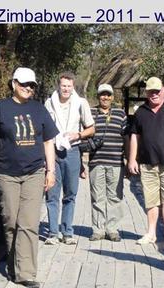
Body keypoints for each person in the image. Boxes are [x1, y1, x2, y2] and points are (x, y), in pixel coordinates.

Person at [0, 67, 58, 288]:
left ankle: (26, 273)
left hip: (34, 172)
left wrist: (51, 171)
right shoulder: (0, 108)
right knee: (11, 222)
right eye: (24, 84)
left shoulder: (39, 109)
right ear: (13, 83)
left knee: (28, 224)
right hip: (7, 174)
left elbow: (48, 141)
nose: (28, 88)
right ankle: (13, 266)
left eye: (31, 85)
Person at [128, 77, 164, 246]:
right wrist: (132, 159)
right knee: (151, 200)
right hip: (147, 163)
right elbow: (134, 137)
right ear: (146, 93)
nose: (154, 94)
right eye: (151, 91)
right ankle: (151, 233)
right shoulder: (140, 112)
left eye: (157, 91)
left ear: (163, 90)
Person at [44, 72, 95, 245]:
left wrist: (77, 135)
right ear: (59, 86)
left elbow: (91, 129)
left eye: (69, 86)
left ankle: (67, 232)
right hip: (53, 150)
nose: (66, 89)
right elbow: (43, 130)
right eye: (63, 85)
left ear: (73, 87)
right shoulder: (49, 103)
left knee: (70, 194)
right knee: (52, 193)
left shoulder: (81, 103)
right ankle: (52, 232)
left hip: (73, 151)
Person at [88, 84, 128, 242]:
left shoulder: (120, 114)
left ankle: (112, 229)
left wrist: (129, 159)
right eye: (102, 95)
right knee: (97, 197)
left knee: (115, 197)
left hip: (116, 161)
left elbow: (126, 137)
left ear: (112, 97)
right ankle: (98, 230)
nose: (105, 97)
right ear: (98, 96)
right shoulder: (90, 113)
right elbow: (84, 135)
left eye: (108, 95)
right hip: (96, 161)